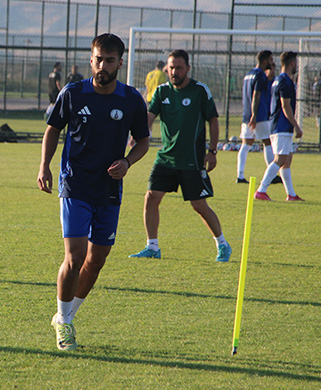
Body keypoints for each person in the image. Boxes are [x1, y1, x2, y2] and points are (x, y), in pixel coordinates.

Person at [37, 33, 150, 351]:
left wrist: (127, 162)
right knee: (74, 258)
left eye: (109, 60)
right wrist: (44, 165)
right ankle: (65, 324)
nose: (102, 66)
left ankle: (65, 316)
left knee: (96, 259)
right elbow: (52, 130)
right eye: (98, 59)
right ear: (91, 59)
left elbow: (143, 141)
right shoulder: (73, 93)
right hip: (75, 185)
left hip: (109, 189)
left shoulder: (130, 100)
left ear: (120, 63)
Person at [129, 49, 232, 263]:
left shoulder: (199, 91)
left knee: (199, 205)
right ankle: (152, 246)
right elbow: (149, 116)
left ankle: (222, 244)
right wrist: (138, 134)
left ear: (188, 68)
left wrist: (212, 151)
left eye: (179, 68)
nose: (174, 72)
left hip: (192, 159)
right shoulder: (161, 92)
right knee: (151, 197)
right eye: (171, 68)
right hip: (166, 157)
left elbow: (213, 120)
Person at [255, 51, 304, 202]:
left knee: (287, 159)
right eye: (295, 62)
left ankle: (291, 194)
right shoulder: (284, 81)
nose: (296, 65)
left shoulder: (279, 80)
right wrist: (296, 125)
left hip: (280, 126)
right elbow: (285, 105)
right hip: (281, 126)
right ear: (291, 63)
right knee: (280, 159)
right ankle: (261, 190)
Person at [236, 50, 274, 184]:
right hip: (259, 115)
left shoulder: (248, 74)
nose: (272, 62)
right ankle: (272, 174)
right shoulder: (260, 75)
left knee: (246, 144)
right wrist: (255, 115)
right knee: (267, 142)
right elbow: (256, 95)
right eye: (270, 60)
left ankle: (240, 175)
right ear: (264, 61)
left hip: (246, 115)